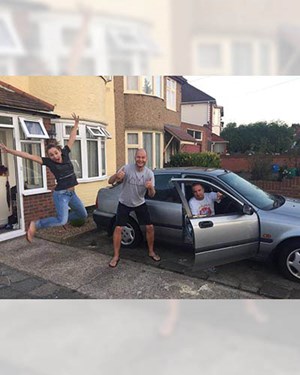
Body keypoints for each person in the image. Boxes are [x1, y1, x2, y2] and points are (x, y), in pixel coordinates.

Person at [0, 113, 87, 242]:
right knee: (60, 219)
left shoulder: (65, 153)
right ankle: (36, 225)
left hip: (72, 194)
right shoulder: (49, 162)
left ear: (59, 150)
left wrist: (76, 125)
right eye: (51, 155)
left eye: (56, 153)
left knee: (83, 214)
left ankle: (62, 219)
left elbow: (72, 138)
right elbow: (28, 155)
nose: (55, 157)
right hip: (61, 194)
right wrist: (9, 151)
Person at [108, 148, 160, 268]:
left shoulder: (149, 174)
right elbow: (110, 181)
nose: (140, 160)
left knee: (150, 227)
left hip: (139, 203)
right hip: (124, 202)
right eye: (138, 157)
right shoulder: (126, 168)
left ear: (146, 159)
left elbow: (152, 194)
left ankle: (151, 251)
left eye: (143, 157)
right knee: (118, 228)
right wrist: (116, 176)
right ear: (135, 157)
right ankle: (116, 256)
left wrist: (150, 188)